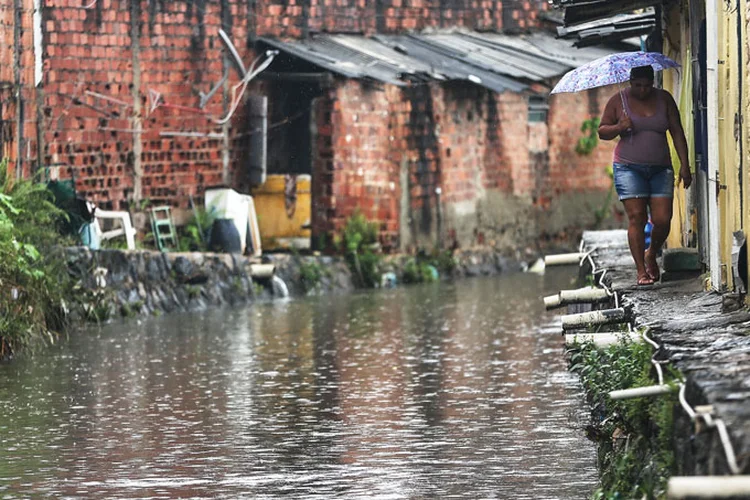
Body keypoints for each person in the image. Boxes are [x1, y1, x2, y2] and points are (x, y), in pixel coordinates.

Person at [598, 65, 692, 286]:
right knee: (637, 217)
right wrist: (619, 126)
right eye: (637, 85)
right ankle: (641, 270)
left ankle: (652, 253)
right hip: (628, 168)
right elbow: (602, 131)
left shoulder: (664, 99)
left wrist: (685, 165)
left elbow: (677, 131)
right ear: (631, 82)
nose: (642, 90)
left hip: (661, 167)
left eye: (647, 85)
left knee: (662, 219)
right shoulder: (617, 100)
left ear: (653, 82)